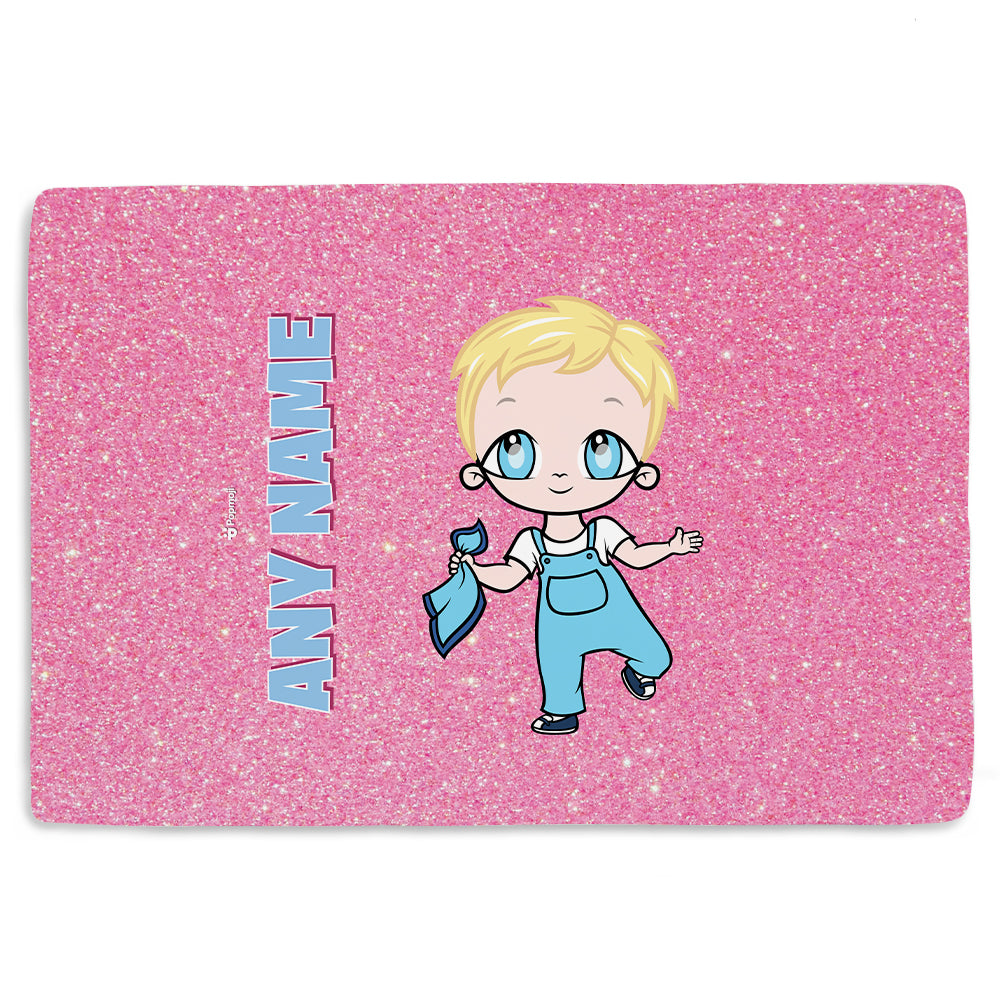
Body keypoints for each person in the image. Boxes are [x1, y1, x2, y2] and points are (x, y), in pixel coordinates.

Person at [448, 295, 703, 734]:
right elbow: (509, 578)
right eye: (516, 450)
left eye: (601, 451)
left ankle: (639, 672)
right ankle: (561, 711)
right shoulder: (531, 542)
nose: (560, 473)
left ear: (640, 471)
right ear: (478, 471)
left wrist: (671, 547)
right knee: (558, 669)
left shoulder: (602, 531)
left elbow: (635, 556)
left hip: (615, 612)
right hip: (559, 624)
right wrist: (476, 571)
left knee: (657, 656)